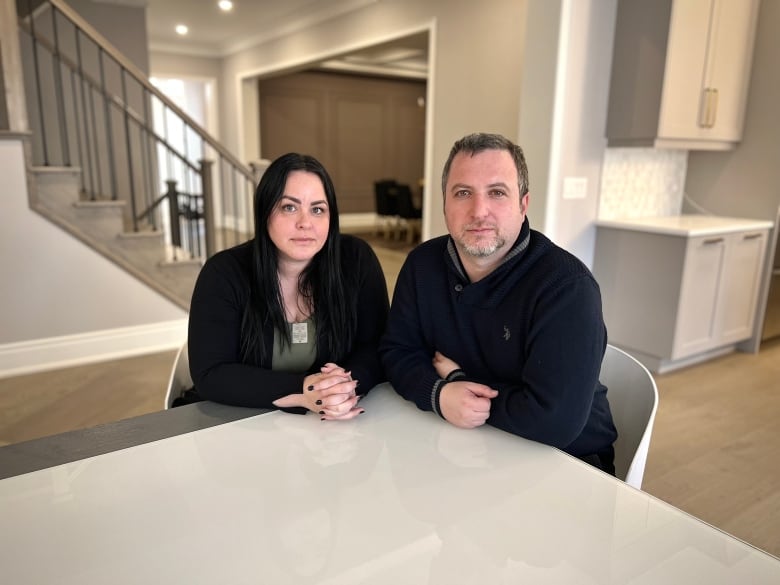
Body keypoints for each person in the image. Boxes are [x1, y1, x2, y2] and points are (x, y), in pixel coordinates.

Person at [379, 133, 617, 471]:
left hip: (566, 462)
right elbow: (397, 351)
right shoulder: (422, 265)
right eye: (463, 193)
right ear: (444, 203)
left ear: (523, 204)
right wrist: (439, 394)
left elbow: (554, 421)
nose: (479, 211)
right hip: (459, 444)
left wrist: (458, 381)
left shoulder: (566, 287)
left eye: (497, 193)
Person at [188, 152, 389, 420]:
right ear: (265, 211)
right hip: (240, 424)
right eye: (289, 207)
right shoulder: (224, 273)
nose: (305, 223)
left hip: (330, 428)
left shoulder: (356, 260)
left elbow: (378, 345)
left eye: (318, 209)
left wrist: (346, 388)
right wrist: (308, 390)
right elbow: (211, 374)